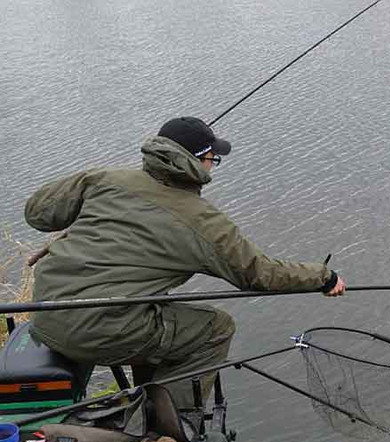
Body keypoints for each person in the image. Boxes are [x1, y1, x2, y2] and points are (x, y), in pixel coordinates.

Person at [24, 116, 345, 410]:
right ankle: (172, 432)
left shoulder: (104, 179)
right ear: (199, 161)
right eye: (212, 159)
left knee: (156, 307)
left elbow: (37, 213)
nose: (213, 167)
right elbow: (257, 274)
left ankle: (145, 407)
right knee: (216, 327)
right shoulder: (201, 220)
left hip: (46, 311)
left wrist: (95, 196)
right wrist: (323, 276)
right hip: (93, 329)